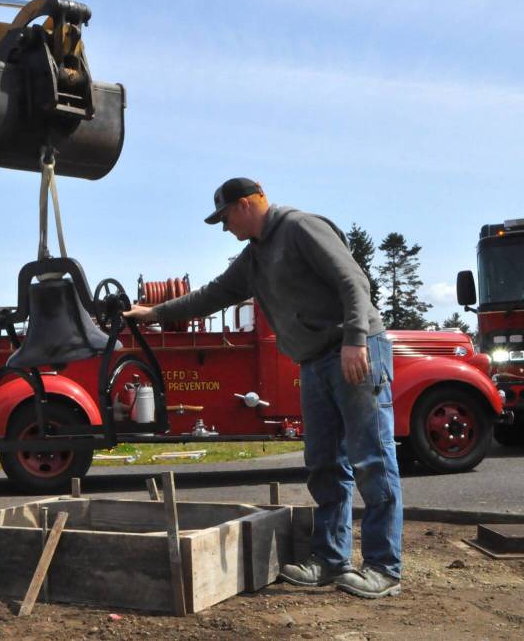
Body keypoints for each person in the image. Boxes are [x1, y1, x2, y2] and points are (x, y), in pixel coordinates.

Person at [124, 177, 402, 599]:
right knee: (324, 463)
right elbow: (212, 295)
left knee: (371, 458)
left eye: (225, 218)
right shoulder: (253, 257)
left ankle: (384, 567)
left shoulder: (300, 228)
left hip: (354, 351)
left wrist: (355, 340)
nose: (224, 228)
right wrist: (153, 313)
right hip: (315, 361)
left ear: (246, 205)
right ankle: (330, 560)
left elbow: (354, 283)